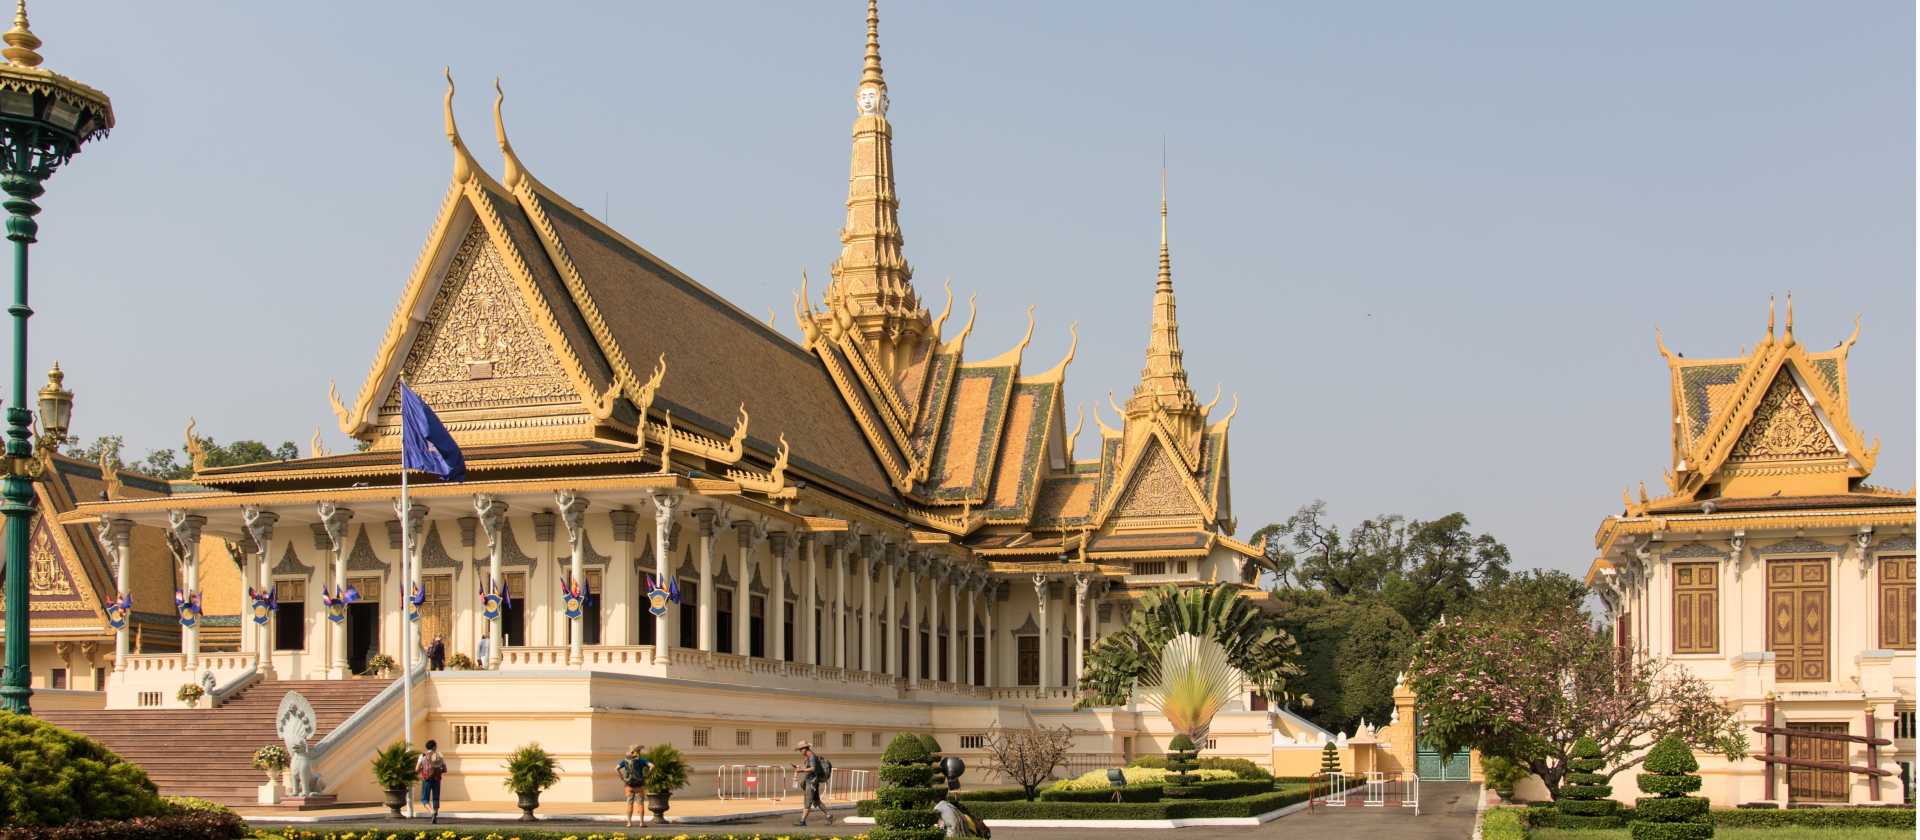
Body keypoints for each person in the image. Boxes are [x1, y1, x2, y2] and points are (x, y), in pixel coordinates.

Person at [793, 741, 833, 826]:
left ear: (805, 748)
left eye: (801, 749)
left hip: (812, 782)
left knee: (808, 801)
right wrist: (799, 767)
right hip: (812, 781)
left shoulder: (811, 756)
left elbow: (813, 768)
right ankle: (829, 815)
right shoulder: (809, 757)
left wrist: (801, 770)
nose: (800, 751)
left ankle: (802, 821)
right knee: (817, 801)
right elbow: (809, 768)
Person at [617, 744, 652, 828]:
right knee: (640, 804)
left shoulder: (625, 760)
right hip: (639, 785)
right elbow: (652, 766)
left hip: (629, 785)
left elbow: (616, 768)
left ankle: (629, 823)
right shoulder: (641, 760)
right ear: (638, 752)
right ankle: (641, 822)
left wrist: (622, 778)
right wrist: (647, 775)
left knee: (629, 804)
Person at [415, 739, 447, 823]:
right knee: (436, 798)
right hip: (437, 779)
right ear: (434, 747)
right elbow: (445, 769)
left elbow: (417, 769)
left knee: (424, 799)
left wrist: (422, 769)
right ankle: (435, 813)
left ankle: (431, 811)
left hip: (426, 779)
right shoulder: (439, 756)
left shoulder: (422, 756)